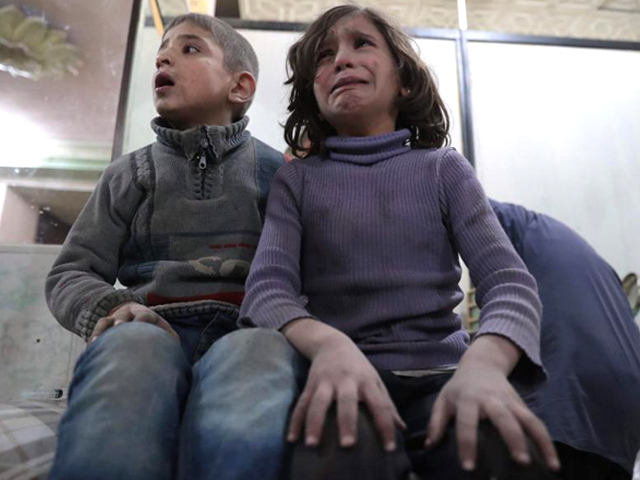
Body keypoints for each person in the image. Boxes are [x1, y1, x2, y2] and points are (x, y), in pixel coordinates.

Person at [239, 5, 561, 479]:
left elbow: (510, 286)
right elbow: (267, 291)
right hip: (343, 377)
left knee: (500, 455)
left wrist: (485, 366)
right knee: (335, 459)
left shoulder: (443, 169)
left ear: (403, 81)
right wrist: (330, 348)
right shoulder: (297, 182)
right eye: (325, 57)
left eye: (361, 44)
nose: (341, 61)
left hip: (448, 377)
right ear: (314, 92)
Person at [45, 14, 296, 480]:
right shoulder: (127, 174)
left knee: (260, 355)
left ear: (239, 87)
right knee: (131, 354)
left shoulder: (280, 173)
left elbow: (305, 273)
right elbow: (70, 272)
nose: (163, 56)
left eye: (190, 49)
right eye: (163, 50)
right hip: (151, 325)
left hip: (248, 328)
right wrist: (113, 308)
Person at [490, 199, 640, 480]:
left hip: (568, 400)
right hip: (626, 415)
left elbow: (448, 206)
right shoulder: (585, 256)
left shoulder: (499, 219)